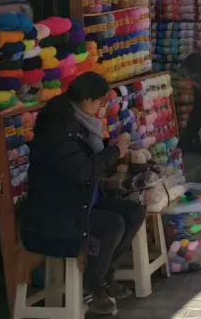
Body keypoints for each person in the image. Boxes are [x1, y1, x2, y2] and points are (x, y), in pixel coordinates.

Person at [20, 72, 143, 316]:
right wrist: (113, 153)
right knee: (112, 224)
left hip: (81, 200)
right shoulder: (59, 127)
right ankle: (91, 286)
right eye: (100, 102)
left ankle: (104, 277)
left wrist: (114, 152)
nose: (101, 108)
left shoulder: (78, 121)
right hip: (58, 210)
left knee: (134, 212)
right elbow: (81, 171)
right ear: (86, 100)